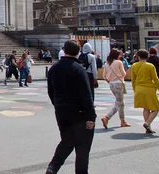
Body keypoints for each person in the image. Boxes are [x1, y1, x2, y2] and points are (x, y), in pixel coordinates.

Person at [46, 40, 96, 174]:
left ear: (64, 50)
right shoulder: (78, 69)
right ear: (78, 52)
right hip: (79, 113)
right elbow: (87, 94)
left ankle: (52, 167)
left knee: (67, 141)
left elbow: (50, 91)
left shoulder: (54, 68)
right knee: (82, 146)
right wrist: (91, 116)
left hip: (61, 111)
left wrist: (57, 105)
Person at [131, 49, 159, 134]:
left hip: (139, 89)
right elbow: (156, 79)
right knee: (156, 108)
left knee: (145, 108)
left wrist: (135, 90)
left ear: (138, 57)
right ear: (147, 57)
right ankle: (147, 123)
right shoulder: (150, 66)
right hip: (149, 89)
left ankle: (148, 128)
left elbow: (133, 80)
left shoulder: (134, 66)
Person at [100, 49, 131, 129]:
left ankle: (122, 121)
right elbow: (123, 74)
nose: (120, 56)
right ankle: (107, 117)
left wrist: (110, 81)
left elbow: (104, 76)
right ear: (116, 55)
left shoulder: (107, 63)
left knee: (121, 102)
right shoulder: (119, 62)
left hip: (112, 84)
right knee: (119, 103)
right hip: (119, 83)